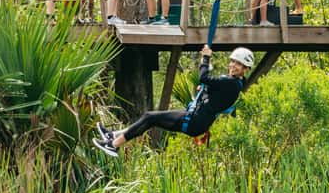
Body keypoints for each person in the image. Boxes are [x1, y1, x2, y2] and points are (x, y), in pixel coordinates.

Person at [93, 46, 254, 156]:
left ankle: (113, 145)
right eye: (233, 61)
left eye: (239, 64)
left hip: (196, 121)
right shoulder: (232, 82)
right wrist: (205, 91)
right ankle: (113, 136)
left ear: (246, 69)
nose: (234, 65)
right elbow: (215, 97)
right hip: (196, 118)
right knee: (150, 118)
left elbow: (203, 78)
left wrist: (205, 58)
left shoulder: (232, 83)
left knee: (150, 117)